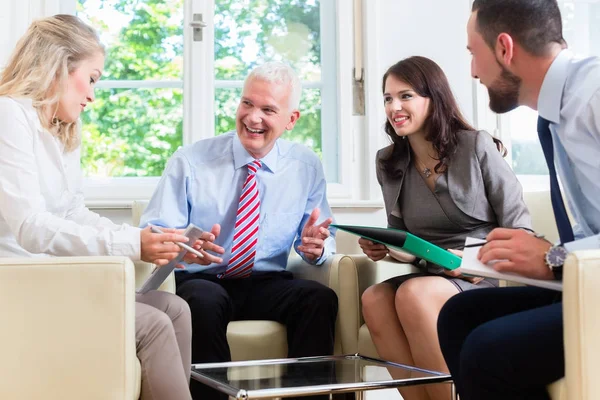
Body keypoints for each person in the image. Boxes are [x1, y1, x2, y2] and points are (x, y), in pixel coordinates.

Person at [0, 14, 203, 400]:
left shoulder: (59, 130)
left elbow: (74, 212)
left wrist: (148, 238)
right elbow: (31, 225)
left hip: (54, 281)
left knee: (176, 309)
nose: (93, 94)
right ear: (59, 66)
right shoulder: (9, 115)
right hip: (18, 287)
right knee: (154, 324)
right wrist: (130, 246)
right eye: (91, 78)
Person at [140, 61, 339, 400]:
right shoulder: (190, 160)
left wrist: (316, 250)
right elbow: (154, 235)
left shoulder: (305, 166)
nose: (252, 117)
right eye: (247, 103)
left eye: (268, 109)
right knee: (203, 301)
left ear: (291, 120)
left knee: (319, 298)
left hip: (265, 283)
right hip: (204, 280)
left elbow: (319, 236)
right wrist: (183, 247)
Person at [437, 0, 600, 399]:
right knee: (460, 315)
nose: (473, 71)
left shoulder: (593, 97)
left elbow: (566, 255)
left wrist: (554, 258)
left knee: (489, 351)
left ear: (505, 48)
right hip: (588, 280)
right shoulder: (556, 113)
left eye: (474, 54)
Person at [358, 56, 531, 400]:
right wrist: (386, 249)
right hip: (431, 272)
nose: (394, 107)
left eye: (405, 96)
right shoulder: (388, 162)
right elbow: (403, 236)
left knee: (413, 293)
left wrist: (471, 261)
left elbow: (520, 230)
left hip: (479, 274)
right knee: (374, 297)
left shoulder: (476, 145)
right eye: (388, 98)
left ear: (433, 98)